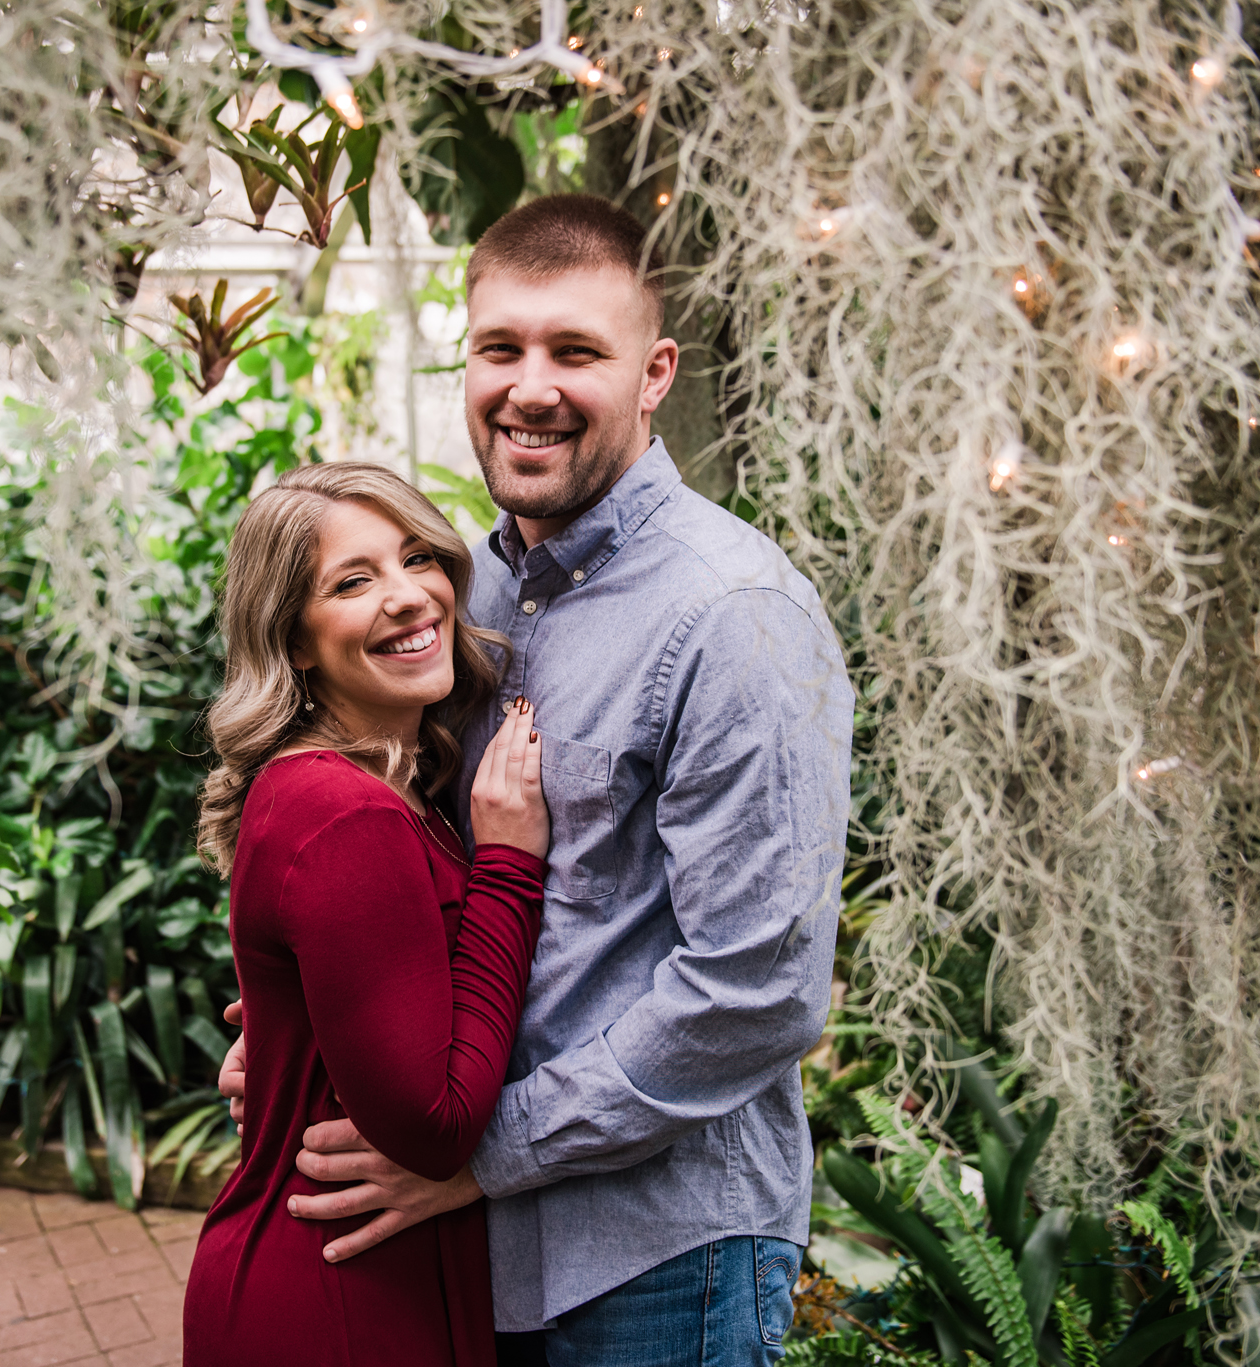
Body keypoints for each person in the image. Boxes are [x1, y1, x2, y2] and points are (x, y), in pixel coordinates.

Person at [237, 194, 855, 1366]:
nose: (530, 386)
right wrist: (312, 1031)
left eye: (576, 350)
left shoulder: (735, 617)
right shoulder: (458, 593)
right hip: (470, 1253)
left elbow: (757, 989)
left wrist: (482, 1154)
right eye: (498, 347)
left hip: (656, 1258)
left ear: (653, 371)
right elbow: (423, 886)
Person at [182, 461, 554, 1367]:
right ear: (295, 642)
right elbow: (434, 1126)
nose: (408, 596)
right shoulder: (345, 810)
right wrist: (509, 865)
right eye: (353, 581)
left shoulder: (357, 784)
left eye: (416, 556)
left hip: (356, 1279)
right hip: (338, 1298)